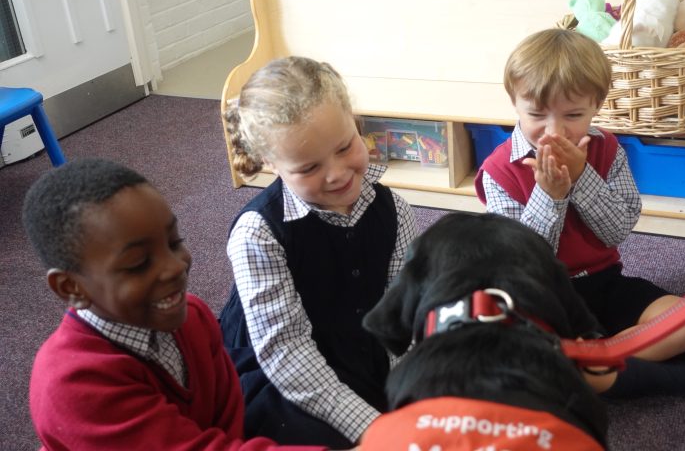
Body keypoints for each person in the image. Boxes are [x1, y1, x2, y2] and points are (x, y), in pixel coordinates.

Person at [474, 28, 685, 398]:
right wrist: (550, 194)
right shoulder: (498, 171)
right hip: (541, 295)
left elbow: (617, 229)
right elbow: (521, 262)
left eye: (573, 114)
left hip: (604, 282)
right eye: (537, 114)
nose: (553, 132)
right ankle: (663, 374)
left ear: (597, 105)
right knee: (510, 356)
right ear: (515, 103)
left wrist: (582, 178)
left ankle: (593, 362)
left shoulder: (607, 148)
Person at [22, 158, 327, 451]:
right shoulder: (72, 385)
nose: (174, 268)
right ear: (71, 287)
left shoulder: (193, 317)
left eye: (174, 242)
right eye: (138, 264)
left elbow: (226, 422)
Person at [218, 56, 419, 448]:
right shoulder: (257, 235)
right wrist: (372, 426)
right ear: (273, 164)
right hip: (282, 373)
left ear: (354, 122)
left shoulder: (395, 211)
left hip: (364, 350)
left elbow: (403, 319)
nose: (338, 173)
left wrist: (406, 399)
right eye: (309, 168)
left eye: (345, 147)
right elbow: (287, 353)